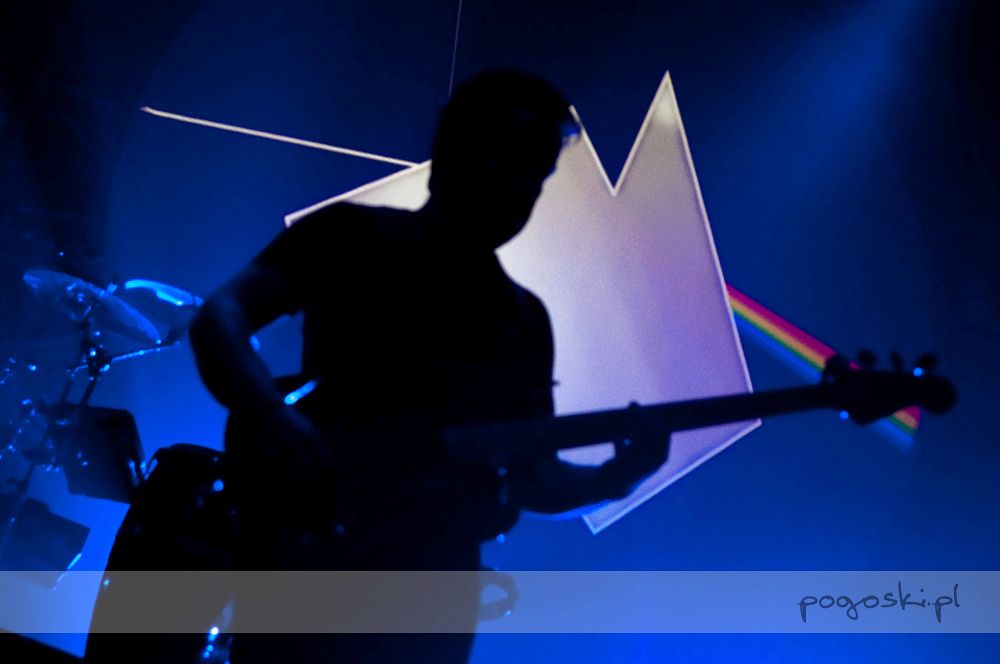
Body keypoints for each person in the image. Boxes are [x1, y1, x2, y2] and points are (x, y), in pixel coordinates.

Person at [188, 69, 669, 663]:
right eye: (508, 157)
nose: (520, 187)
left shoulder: (524, 319)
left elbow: (532, 478)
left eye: (536, 171)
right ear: (451, 147)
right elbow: (221, 317)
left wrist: (618, 476)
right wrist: (268, 415)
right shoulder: (351, 235)